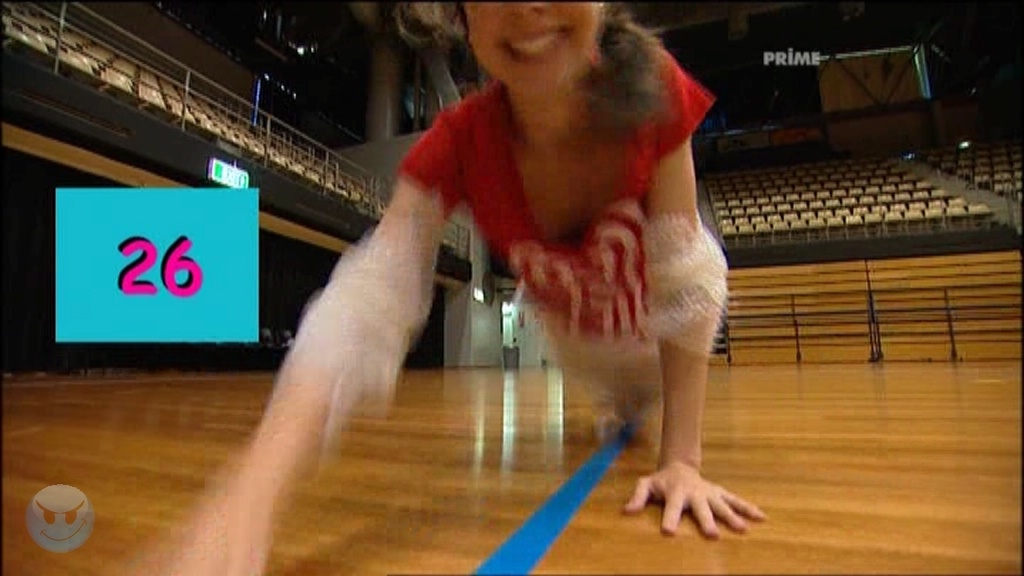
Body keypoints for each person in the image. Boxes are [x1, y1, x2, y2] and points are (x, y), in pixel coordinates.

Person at [125, 4, 764, 575]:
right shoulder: (458, 143)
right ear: (462, 17)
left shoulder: (653, 87)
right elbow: (364, 303)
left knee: (642, 409)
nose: (527, 8)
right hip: (579, 353)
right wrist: (247, 497)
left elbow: (687, 281)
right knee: (616, 413)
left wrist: (682, 460)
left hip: (658, 344)